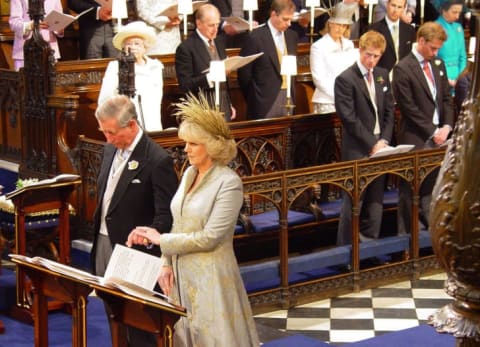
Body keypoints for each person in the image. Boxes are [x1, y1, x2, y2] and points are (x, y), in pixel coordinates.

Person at [125, 92, 260, 347]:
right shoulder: (188, 174)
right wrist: (165, 262)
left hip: (212, 279)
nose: (185, 148)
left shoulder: (229, 183)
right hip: (180, 277)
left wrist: (161, 239)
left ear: (212, 145)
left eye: (193, 143)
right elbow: (178, 222)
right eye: (185, 142)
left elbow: (210, 238)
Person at [92, 95, 177, 346]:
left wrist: (149, 232)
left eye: (111, 132)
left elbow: (166, 214)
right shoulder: (109, 150)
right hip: (104, 243)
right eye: (104, 131)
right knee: (112, 314)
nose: (107, 138)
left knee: (139, 326)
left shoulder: (157, 159)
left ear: (131, 125)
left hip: (136, 254)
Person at [392, 21, 454, 235]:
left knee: (435, 187)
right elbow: (408, 107)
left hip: (441, 136)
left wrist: (446, 126)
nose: (435, 53)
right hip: (416, 136)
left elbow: (446, 98)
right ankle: (408, 239)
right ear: (421, 41)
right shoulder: (403, 68)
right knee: (412, 190)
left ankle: (431, 237)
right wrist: (432, 131)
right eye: (433, 48)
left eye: (438, 49)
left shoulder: (437, 64)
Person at [334, 30, 395, 245]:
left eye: (376, 56)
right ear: (360, 50)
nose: (371, 60)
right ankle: (347, 253)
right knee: (354, 203)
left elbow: (389, 111)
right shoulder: (345, 79)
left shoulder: (382, 74)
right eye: (368, 54)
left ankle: (370, 249)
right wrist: (372, 143)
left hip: (381, 145)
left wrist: (384, 140)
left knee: (376, 201)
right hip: (359, 148)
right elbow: (349, 119)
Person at [98, 21, 164, 131]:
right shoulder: (115, 66)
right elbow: (104, 99)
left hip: (152, 123)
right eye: (129, 44)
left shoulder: (155, 67)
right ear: (123, 47)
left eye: (137, 43)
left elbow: (158, 99)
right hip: (126, 124)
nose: (133, 47)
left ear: (145, 47)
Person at [237, 0, 298, 119]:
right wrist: (254, 98)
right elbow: (244, 73)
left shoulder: (292, 36)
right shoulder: (255, 37)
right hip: (263, 100)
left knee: (287, 135)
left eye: (291, 19)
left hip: (288, 96)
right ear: (274, 14)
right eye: (285, 19)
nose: (289, 23)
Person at [175, 4, 235, 121]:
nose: (215, 29)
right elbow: (185, 84)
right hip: (202, 112)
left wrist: (229, 104)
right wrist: (211, 77)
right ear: (198, 23)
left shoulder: (219, 42)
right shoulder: (186, 48)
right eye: (211, 25)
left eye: (217, 25)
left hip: (224, 108)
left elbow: (224, 82)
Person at [310, 1, 358, 114]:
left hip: (348, 99)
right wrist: (339, 94)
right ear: (330, 23)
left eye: (343, 25)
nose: (340, 29)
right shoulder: (318, 47)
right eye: (337, 24)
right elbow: (318, 79)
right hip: (327, 101)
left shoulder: (349, 45)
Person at [9, 0, 63, 70]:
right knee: (24, 80)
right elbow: (14, 22)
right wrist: (31, 25)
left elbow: (59, 19)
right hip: (24, 52)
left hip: (50, 52)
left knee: (50, 80)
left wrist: (59, 29)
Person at [369, 0, 416, 74]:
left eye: (399, 7)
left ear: (404, 9)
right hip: (382, 76)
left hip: (404, 76)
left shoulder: (409, 30)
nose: (395, 10)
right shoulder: (374, 30)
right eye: (393, 5)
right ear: (387, 5)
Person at [435, 0, 468, 105]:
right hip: (443, 74)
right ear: (444, 10)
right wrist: (447, 79)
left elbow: (463, 57)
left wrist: (459, 77)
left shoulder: (458, 28)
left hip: (460, 75)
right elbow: (433, 59)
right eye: (454, 12)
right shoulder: (435, 27)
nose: (458, 16)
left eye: (459, 12)